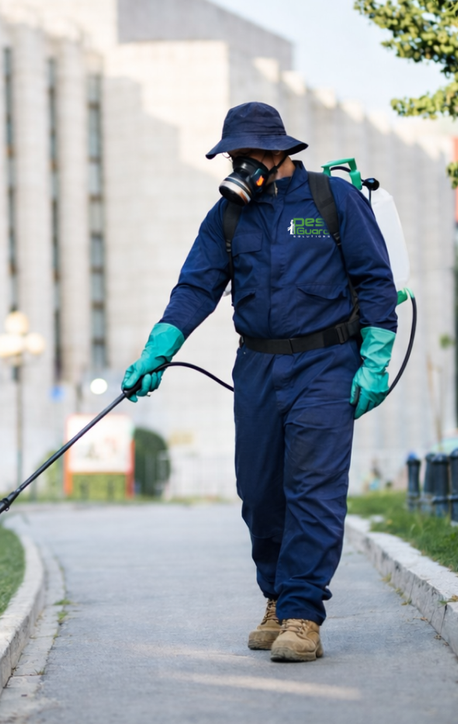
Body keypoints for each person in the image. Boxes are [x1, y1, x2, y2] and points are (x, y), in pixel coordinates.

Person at [121, 102, 397, 662]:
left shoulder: (332, 200)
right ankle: (275, 596)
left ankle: (302, 615)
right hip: (256, 367)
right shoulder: (226, 216)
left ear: (278, 154)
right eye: (232, 155)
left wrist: (375, 356)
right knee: (260, 493)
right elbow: (195, 288)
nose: (239, 164)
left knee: (313, 491)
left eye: (248, 155)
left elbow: (374, 278)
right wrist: (159, 348)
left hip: (326, 363)